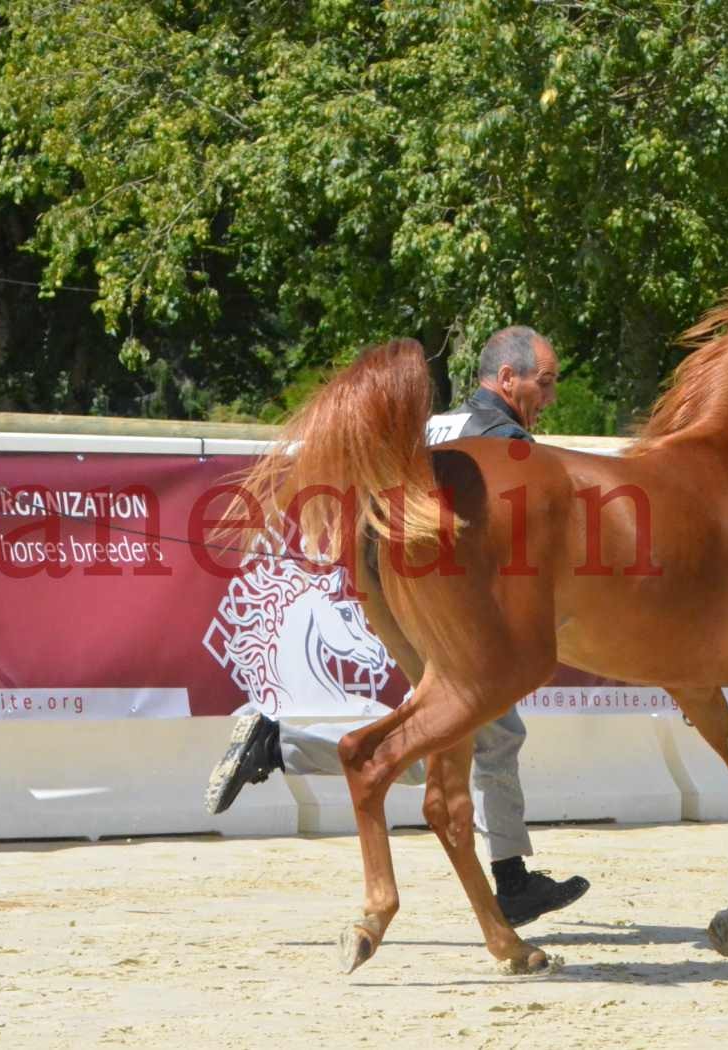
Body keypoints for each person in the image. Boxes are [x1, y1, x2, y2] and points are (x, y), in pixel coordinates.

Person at [206, 326, 589, 928]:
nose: (551, 396)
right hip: (453, 603)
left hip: (393, 583)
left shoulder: (440, 425)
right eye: (545, 382)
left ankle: (282, 742)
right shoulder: (505, 444)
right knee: (465, 730)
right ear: (506, 379)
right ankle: (510, 881)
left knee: (460, 734)